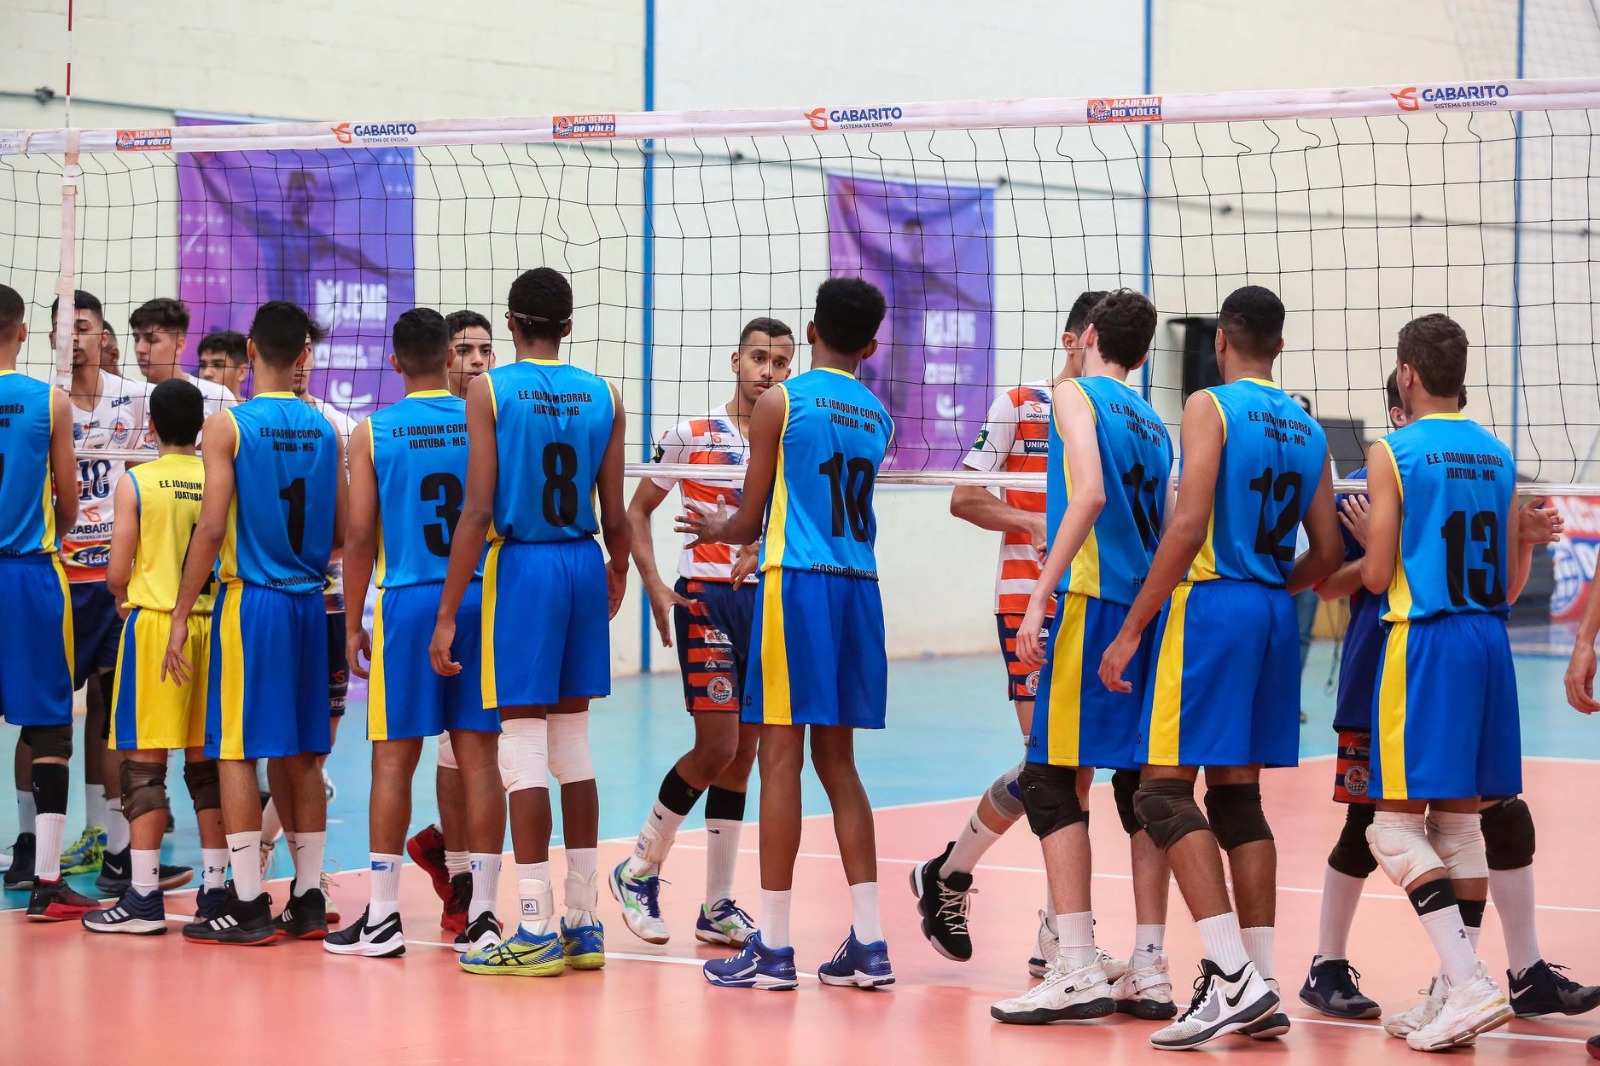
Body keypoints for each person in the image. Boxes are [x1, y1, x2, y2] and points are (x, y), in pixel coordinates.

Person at [1302, 372, 1599, 1023]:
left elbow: (1498, 585)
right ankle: (1328, 962)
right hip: (1377, 673)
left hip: (1444, 670)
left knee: (1492, 817)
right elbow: (1336, 583)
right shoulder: (1372, 481)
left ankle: (1488, 977)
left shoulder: (1470, 474)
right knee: (1367, 824)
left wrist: (1519, 534)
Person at [1099, 285, 1342, 1049]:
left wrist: (1134, 625)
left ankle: (1232, 974)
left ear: (1224, 343)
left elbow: (1189, 521)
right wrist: (1272, 590)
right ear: (1279, 344)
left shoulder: (1210, 405)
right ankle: (1262, 983)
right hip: (1273, 611)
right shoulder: (1308, 427)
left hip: (1211, 609)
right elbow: (1330, 557)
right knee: (1238, 798)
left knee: (1162, 792)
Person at [694, 277, 896, 992]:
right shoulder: (878, 414)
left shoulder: (782, 400)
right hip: (859, 590)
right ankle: (870, 943)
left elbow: (749, 519)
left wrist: (719, 529)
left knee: (780, 759)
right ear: (871, 345)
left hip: (799, 584)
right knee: (838, 765)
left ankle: (773, 949)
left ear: (810, 332)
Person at [430, 267, 629, 977]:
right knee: (573, 746)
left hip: (524, 568)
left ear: (511, 326)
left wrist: (448, 611)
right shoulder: (606, 393)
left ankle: (536, 925)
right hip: (582, 560)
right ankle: (584, 921)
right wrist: (619, 570)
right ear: (568, 327)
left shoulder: (488, 389)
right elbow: (616, 509)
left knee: (519, 744)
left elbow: (477, 510)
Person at [989, 290, 1177, 1025]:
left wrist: (1039, 596)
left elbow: (1089, 494)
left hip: (1093, 603)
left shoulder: (1074, 393)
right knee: (1139, 792)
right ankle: (1151, 969)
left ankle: (1074, 966)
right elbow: (1163, 524)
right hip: (1143, 613)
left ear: (1090, 335)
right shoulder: (1154, 423)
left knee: (1048, 779)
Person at [912, 289, 1112, 974]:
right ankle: (957, 877)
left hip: (1091, 606)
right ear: (1072, 339)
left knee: (1075, 771)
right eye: (1093, 336)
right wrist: (1034, 524)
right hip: (1025, 603)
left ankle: (1044, 927)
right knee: (1051, 765)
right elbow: (965, 496)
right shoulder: (1021, 404)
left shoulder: (1113, 417)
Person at [1356, 314, 1529, 1050]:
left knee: (1392, 828)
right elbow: (1513, 585)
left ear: (1408, 375)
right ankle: (1452, 994)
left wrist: (1367, 538)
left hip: (1425, 640)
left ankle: (1468, 982)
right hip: (1489, 641)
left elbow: (1374, 573)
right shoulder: (1497, 454)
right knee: (1459, 827)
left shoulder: (1393, 451)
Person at [324, 309, 506, 958]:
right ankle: (483, 910)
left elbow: (359, 536)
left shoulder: (373, 433)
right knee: (481, 757)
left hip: (406, 602)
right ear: (449, 357)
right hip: (478, 597)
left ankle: (381, 916)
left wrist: (351, 622)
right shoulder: (485, 421)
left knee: (392, 759)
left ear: (397, 362)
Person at [609, 316, 794, 946]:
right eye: (759, 359)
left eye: (780, 363)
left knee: (745, 754)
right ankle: (639, 867)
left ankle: (717, 905)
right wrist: (656, 584)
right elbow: (637, 511)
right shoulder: (690, 433)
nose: (768, 372)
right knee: (717, 745)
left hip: (761, 603)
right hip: (706, 604)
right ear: (734, 359)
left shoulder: (786, 436)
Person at [164, 300, 344, 945]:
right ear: (302, 357)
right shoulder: (326, 429)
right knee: (302, 751)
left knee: (235, 748)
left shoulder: (228, 427)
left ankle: (244, 902)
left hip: (254, 603)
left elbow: (211, 528)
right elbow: (346, 531)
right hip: (310, 601)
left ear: (248, 350)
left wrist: (183, 612)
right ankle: (309, 897)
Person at [81, 378, 232, 933]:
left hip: (155, 629)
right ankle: (216, 891)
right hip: (213, 627)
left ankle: (142, 896)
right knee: (207, 766)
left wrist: (124, 600)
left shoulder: (137, 481)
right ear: (200, 427)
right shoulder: (220, 477)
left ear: (150, 426)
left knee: (144, 766)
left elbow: (117, 571)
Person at [46, 290, 174, 894]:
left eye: (85, 327)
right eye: (63, 330)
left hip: (116, 582)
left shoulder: (139, 400)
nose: (74, 338)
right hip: (58, 577)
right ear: (47, 340)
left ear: (104, 338)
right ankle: (29, 843)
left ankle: (114, 847)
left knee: (112, 712)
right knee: (43, 719)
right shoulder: (45, 405)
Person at [400, 307, 502, 937]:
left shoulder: (500, 419)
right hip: (432, 601)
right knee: (454, 745)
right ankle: (463, 878)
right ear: (443, 358)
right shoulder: (408, 429)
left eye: (485, 351)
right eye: (464, 349)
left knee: (495, 751)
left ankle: (444, 846)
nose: (475, 361)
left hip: (495, 598)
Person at [0, 283, 97, 921]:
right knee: (49, 724)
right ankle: (45, 880)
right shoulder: (48, 401)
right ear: (25, 331)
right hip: (28, 574)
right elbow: (68, 498)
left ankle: (24, 853)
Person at [128, 298, 238, 417]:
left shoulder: (217, 396)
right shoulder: (128, 396)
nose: (140, 348)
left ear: (179, 346)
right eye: (136, 339)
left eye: (151, 340)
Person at [195, 330, 250, 402]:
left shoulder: (254, 412)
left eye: (218, 365)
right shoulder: (190, 410)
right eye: (202, 365)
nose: (206, 373)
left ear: (242, 372)